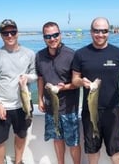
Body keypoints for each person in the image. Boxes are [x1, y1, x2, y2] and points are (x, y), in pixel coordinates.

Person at [72, 17, 119, 164]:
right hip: (90, 111)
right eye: (96, 31)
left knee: (116, 152)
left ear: (109, 32)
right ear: (91, 32)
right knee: (92, 151)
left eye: (104, 31)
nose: (100, 34)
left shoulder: (118, 53)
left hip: (112, 111)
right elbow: (74, 79)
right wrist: (81, 81)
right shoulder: (80, 54)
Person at [0, 19, 37, 164]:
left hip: (23, 105)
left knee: (21, 136)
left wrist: (27, 78)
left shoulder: (29, 53)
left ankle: (18, 161)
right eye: (5, 33)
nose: (9, 35)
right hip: (0, 106)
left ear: (17, 33)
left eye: (12, 32)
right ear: (1, 35)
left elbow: (35, 75)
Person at [35, 21, 81, 164]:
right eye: (48, 36)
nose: (52, 39)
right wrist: (40, 98)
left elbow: (77, 82)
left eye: (55, 35)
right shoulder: (40, 56)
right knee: (57, 139)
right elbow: (41, 78)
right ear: (44, 38)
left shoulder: (72, 55)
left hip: (69, 108)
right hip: (50, 108)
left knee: (73, 142)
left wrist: (63, 87)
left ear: (60, 35)